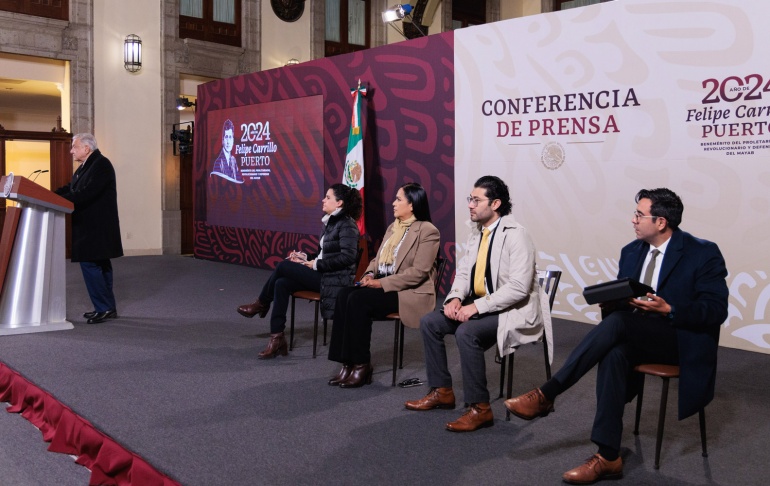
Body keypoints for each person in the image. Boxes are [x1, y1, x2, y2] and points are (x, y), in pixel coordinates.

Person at [504, 188, 728, 484]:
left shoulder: (703, 252)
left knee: (620, 324)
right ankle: (608, 456)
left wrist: (669, 309)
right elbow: (624, 307)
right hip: (638, 333)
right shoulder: (631, 251)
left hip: (679, 338)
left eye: (639, 215)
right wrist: (612, 302)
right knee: (614, 353)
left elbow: (716, 310)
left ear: (661, 222)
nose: (633, 220)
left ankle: (548, 393)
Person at [404, 175, 548, 432]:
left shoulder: (517, 235)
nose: (470, 205)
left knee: (467, 332)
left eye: (476, 200)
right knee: (430, 322)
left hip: (512, 309)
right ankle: (442, 391)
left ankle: (480, 408)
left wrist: (476, 307)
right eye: (469, 199)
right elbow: (463, 273)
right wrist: (455, 298)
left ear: (495, 204)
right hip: (481, 303)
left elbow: (518, 288)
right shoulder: (477, 233)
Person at [327, 182, 440, 388]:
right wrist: (369, 274)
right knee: (344, 294)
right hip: (383, 283)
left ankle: (362, 364)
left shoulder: (428, 231)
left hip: (408, 290)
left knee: (358, 300)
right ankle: (346, 362)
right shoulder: (393, 227)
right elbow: (377, 260)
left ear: (412, 204)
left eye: (398, 199)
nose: (393, 203)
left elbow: (418, 273)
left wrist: (381, 283)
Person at [237, 184, 362, 359]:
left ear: (339, 203)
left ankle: (261, 303)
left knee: (283, 266)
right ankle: (277, 337)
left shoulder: (347, 225)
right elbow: (323, 254)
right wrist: (305, 257)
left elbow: (348, 258)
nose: (323, 200)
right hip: (324, 274)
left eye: (328, 197)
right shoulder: (331, 222)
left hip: (335, 281)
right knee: (281, 283)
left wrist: (316, 264)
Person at [54, 133, 123, 324]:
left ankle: (104, 307)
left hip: (96, 227)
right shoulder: (86, 165)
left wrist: (58, 200)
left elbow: (87, 193)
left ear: (87, 148)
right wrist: (49, 195)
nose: (71, 151)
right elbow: (71, 188)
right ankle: (106, 307)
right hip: (90, 225)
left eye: (74, 147)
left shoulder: (101, 165)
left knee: (92, 264)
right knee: (99, 264)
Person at [210, 119, 243, 183]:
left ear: (233, 140)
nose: (228, 142)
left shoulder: (233, 160)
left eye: (230, 137)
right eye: (226, 137)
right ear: (222, 140)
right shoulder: (218, 163)